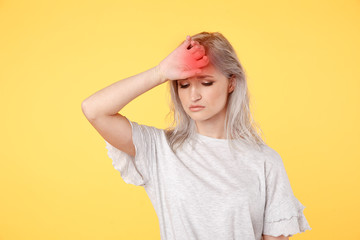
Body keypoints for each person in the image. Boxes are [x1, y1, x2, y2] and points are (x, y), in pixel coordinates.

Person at [81, 31, 311, 240]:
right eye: (183, 85)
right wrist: (160, 72)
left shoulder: (265, 161)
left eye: (206, 82)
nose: (193, 96)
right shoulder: (160, 150)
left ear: (231, 83)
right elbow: (94, 110)